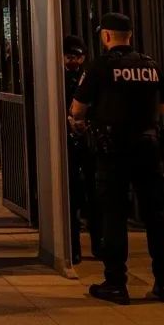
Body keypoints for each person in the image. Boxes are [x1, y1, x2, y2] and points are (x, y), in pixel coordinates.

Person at [70, 12, 164, 305]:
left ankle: (116, 282)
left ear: (105, 36)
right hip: (149, 148)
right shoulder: (151, 66)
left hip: (113, 149)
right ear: (129, 35)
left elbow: (78, 109)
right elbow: (163, 109)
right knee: (156, 216)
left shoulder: (101, 67)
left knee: (113, 214)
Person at [64, 34, 100, 265]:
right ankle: (73, 247)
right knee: (73, 197)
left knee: (93, 195)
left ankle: (98, 243)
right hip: (70, 143)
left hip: (88, 142)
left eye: (78, 57)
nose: (74, 61)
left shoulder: (91, 77)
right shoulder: (81, 77)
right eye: (70, 57)